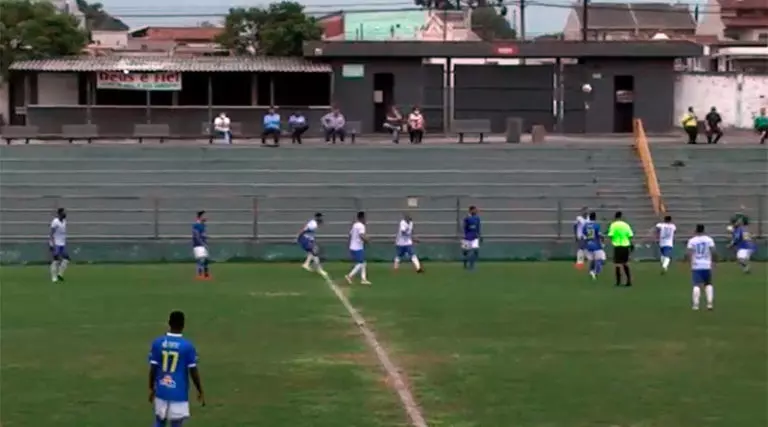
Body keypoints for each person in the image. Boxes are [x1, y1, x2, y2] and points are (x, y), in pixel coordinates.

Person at [148, 310, 205, 427]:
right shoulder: (187, 346)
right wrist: (199, 390)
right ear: (183, 325)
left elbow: (153, 368)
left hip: (161, 390)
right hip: (179, 392)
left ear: (169, 323)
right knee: (177, 424)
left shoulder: (158, 343)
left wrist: (151, 387)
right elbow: (193, 371)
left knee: (159, 421)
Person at [685, 224, 716, 311]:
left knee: (696, 284)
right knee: (708, 284)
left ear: (696, 230)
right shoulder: (709, 239)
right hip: (707, 265)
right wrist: (714, 262)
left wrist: (688, 261)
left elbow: (688, 253)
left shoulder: (692, 240)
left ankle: (696, 305)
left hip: (696, 265)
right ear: (704, 230)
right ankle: (709, 304)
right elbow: (713, 251)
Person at [607, 211, 634, 287]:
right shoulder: (626, 225)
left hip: (617, 246)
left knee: (617, 264)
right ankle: (628, 280)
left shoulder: (613, 225)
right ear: (621, 217)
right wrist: (631, 244)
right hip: (625, 246)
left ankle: (618, 282)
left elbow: (610, 235)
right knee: (625, 263)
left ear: (615, 217)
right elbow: (630, 235)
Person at [345, 211, 371, 285]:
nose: (365, 219)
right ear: (362, 218)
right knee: (360, 263)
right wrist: (367, 240)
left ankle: (363, 279)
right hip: (357, 247)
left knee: (363, 262)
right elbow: (361, 235)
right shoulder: (361, 226)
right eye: (365, 217)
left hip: (353, 247)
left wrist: (349, 244)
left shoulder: (355, 225)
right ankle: (349, 276)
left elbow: (350, 235)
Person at [582, 212, 605, 281]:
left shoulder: (585, 225)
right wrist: (602, 241)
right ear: (595, 217)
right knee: (601, 260)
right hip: (596, 245)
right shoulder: (596, 225)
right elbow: (599, 235)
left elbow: (584, 235)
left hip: (588, 245)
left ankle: (591, 272)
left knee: (592, 260)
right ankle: (595, 272)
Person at [49, 207, 69, 283]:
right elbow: (51, 233)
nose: (65, 214)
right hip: (56, 243)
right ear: (60, 213)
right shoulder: (55, 221)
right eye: (63, 212)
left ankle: (60, 274)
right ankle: (54, 277)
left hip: (62, 243)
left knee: (66, 259)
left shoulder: (64, 221)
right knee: (56, 260)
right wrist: (51, 244)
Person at [462, 206, 481, 270]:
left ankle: (471, 265)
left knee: (475, 252)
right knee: (466, 252)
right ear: (470, 210)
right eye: (474, 210)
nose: (476, 211)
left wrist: (479, 235)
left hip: (474, 236)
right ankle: (465, 265)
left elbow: (478, 227)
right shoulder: (467, 218)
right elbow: (464, 227)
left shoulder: (477, 218)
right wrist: (465, 235)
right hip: (468, 236)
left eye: (476, 210)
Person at [192, 211, 210, 280]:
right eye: (204, 216)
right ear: (200, 217)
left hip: (203, 245)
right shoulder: (196, 225)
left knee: (205, 260)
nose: (206, 218)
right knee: (201, 260)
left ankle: (206, 275)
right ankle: (200, 275)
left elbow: (203, 235)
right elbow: (196, 236)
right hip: (198, 245)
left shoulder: (203, 225)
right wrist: (203, 244)